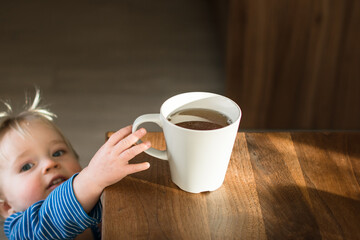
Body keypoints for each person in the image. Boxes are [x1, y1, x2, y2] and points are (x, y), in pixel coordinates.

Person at [0, 89, 151, 239]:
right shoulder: (21, 232)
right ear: (7, 207)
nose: (50, 163)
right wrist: (91, 179)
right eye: (27, 166)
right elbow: (48, 224)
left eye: (57, 153)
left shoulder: (91, 211)